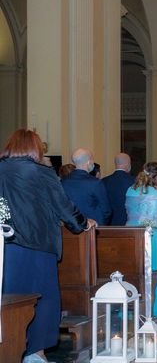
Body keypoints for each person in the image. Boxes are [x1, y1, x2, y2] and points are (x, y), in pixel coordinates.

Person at [0, 129, 96, 362]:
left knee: (9, 301)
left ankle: (10, 350)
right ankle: (36, 354)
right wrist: (82, 224)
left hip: (6, 248)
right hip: (38, 246)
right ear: (34, 149)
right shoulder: (41, 172)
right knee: (43, 302)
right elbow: (63, 205)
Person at [124, 162, 157, 319]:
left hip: (131, 235)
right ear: (156, 178)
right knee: (154, 270)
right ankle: (155, 309)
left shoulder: (130, 190)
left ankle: (131, 310)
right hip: (152, 236)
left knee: (135, 271)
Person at [62, 148, 112, 225]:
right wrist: (100, 225)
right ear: (89, 162)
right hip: (92, 228)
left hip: (70, 228)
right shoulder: (96, 183)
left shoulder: (63, 182)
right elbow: (106, 210)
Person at [102, 153, 136, 226]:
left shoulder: (104, 181)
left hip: (109, 224)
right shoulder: (135, 181)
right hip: (130, 223)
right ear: (128, 164)